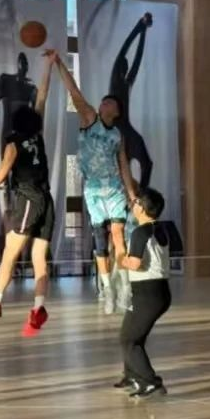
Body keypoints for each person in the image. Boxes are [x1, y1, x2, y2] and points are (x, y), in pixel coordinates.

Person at [0, 51, 53, 337]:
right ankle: (38, 309)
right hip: (47, 199)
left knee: (9, 254)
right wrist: (49, 65)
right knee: (39, 258)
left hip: (29, 198)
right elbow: (42, 96)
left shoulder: (13, 144)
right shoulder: (37, 135)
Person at [55, 49, 137, 313]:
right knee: (100, 241)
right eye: (102, 102)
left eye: (108, 102)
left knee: (119, 236)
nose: (104, 104)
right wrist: (59, 63)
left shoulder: (118, 136)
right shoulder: (90, 119)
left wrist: (132, 196)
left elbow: (124, 166)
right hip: (92, 189)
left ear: (117, 111)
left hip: (114, 188)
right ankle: (107, 289)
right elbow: (74, 92)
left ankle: (125, 288)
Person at [115, 188, 171, 399]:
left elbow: (135, 264)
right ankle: (132, 375)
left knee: (128, 340)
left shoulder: (140, 232)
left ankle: (150, 382)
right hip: (159, 291)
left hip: (147, 293)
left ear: (143, 208)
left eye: (137, 202)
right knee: (133, 336)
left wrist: (119, 254)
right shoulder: (159, 229)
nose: (134, 205)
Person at [109, 13, 153, 187]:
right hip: (115, 131)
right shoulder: (115, 80)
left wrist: (144, 32)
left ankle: (142, 195)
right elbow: (125, 48)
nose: (124, 68)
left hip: (126, 129)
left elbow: (138, 58)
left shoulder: (127, 82)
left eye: (125, 67)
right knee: (119, 170)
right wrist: (139, 26)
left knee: (147, 164)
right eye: (121, 66)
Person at [0, 52, 36, 149]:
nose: (24, 67)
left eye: (25, 64)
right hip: (9, 129)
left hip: (22, 130)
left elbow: (34, 112)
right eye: (22, 64)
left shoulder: (31, 87)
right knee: (7, 154)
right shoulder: (7, 80)